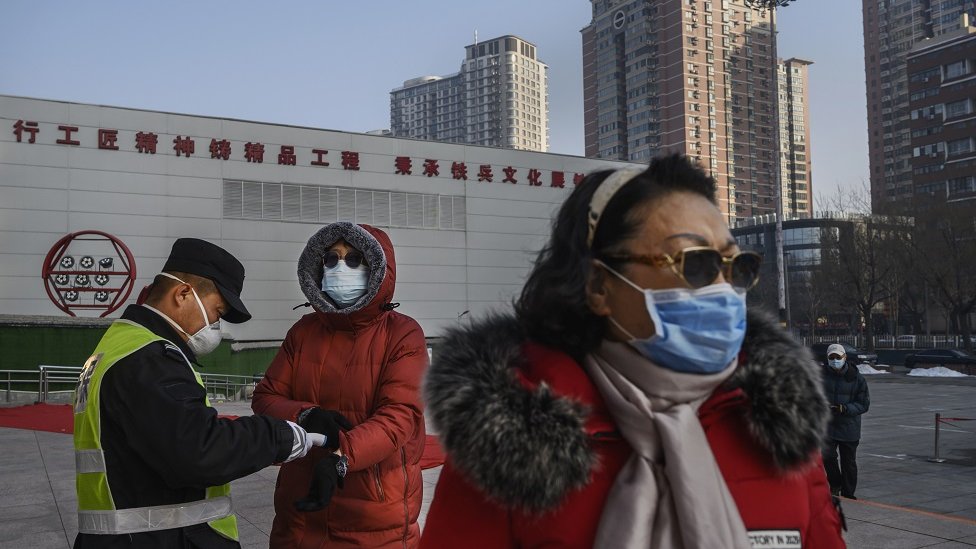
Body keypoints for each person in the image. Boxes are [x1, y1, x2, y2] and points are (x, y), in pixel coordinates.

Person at [421, 154, 845, 548]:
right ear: (600, 286)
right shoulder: (506, 445)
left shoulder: (778, 428)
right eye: (695, 263)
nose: (723, 290)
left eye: (737, 267)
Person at [73, 238, 347, 549]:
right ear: (183, 294)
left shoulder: (122, 344)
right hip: (157, 539)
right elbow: (199, 449)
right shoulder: (150, 358)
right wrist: (283, 436)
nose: (215, 324)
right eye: (217, 311)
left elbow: (169, 431)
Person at [252, 222, 428, 548]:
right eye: (331, 260)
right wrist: (305, 414)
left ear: (377, 267)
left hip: (373, 519)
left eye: (353, 259)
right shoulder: (303, 332)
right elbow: (266, 397)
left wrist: (342, 457)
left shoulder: (402, 334)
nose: (339, 268)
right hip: (299, 514)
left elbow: (400, 415)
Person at [821, 343, 870, 499]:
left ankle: (848, 494)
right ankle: (835, 483)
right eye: (832, 357)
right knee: (827, 457)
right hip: (828, 427)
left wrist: (845, 409)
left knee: (848, 463)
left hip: (849, 427)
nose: (835, 360)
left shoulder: (856, 378)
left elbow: (863, 404)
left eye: (838, 357)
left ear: (845, 357)